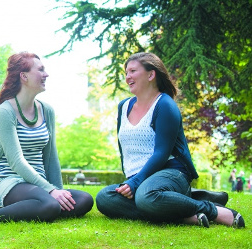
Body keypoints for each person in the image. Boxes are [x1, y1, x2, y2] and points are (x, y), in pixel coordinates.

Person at [95, 52, 244, 228]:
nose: (128, 77)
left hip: (171, 174)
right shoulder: (124, 106)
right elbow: (124, 150)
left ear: (151, 75)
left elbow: (162, 153)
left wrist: (136, 182)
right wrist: (131, 180)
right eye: (126, 72)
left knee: (146, 196)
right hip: (140, 179)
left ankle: (212, 210)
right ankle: (182, 216)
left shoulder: (164, 105)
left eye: (133, 71)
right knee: (105, 198)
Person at [0, 52, 94, 228]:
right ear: (24, 76)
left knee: (84, 200)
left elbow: (51, 156)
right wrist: (51, 191)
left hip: (37, 184)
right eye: (40, 70)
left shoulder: (47, 110)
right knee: (49, 205)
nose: (46, 74)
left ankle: (2, 210)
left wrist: (58, 191)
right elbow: (16, 161)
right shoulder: (5, 111)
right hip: (7, 179)